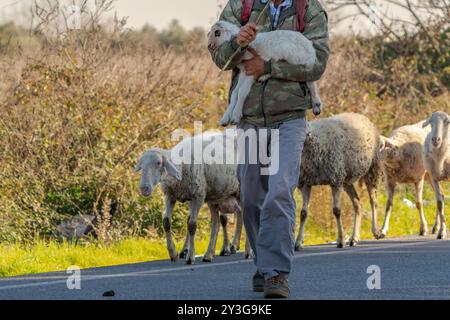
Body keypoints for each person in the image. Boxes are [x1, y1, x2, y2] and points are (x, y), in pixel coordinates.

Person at [208, 0, 329, 299]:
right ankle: (264, 263)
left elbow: (317, 63)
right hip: (249, 120)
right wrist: (237, 41)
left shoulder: (308, 9)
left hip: (290, 118)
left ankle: (275, 273)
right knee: (250, 197)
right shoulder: (241, 6)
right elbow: (220, 56)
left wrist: (269, 66)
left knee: (279, 191)